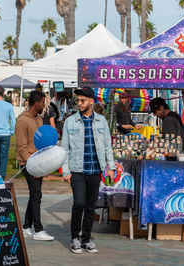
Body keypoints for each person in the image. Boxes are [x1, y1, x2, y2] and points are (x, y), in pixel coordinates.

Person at [62, 87, 115, 254]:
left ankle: (86, 239)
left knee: (91, 206)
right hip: (77, 170)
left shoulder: (101, 121)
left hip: (95, 170)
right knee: (79, 203)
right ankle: (74, 238)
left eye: (82, 100)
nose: (79, 103)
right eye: (78, 100)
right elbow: (65, 149)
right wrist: (66, 171)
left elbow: (107, 146)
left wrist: (110, 167)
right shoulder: (70, 122)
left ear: (92, 101)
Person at [16, 91, 55, 241]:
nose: (45, 106)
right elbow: (21, 147)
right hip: (27, 163)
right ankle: (38, 230)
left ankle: (26, 227)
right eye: (43, 102)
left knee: (35, 194)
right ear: (36, 103)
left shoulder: (39, 119)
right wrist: (32, 166)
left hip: (38, 161)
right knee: (37, 194)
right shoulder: (22, 121)